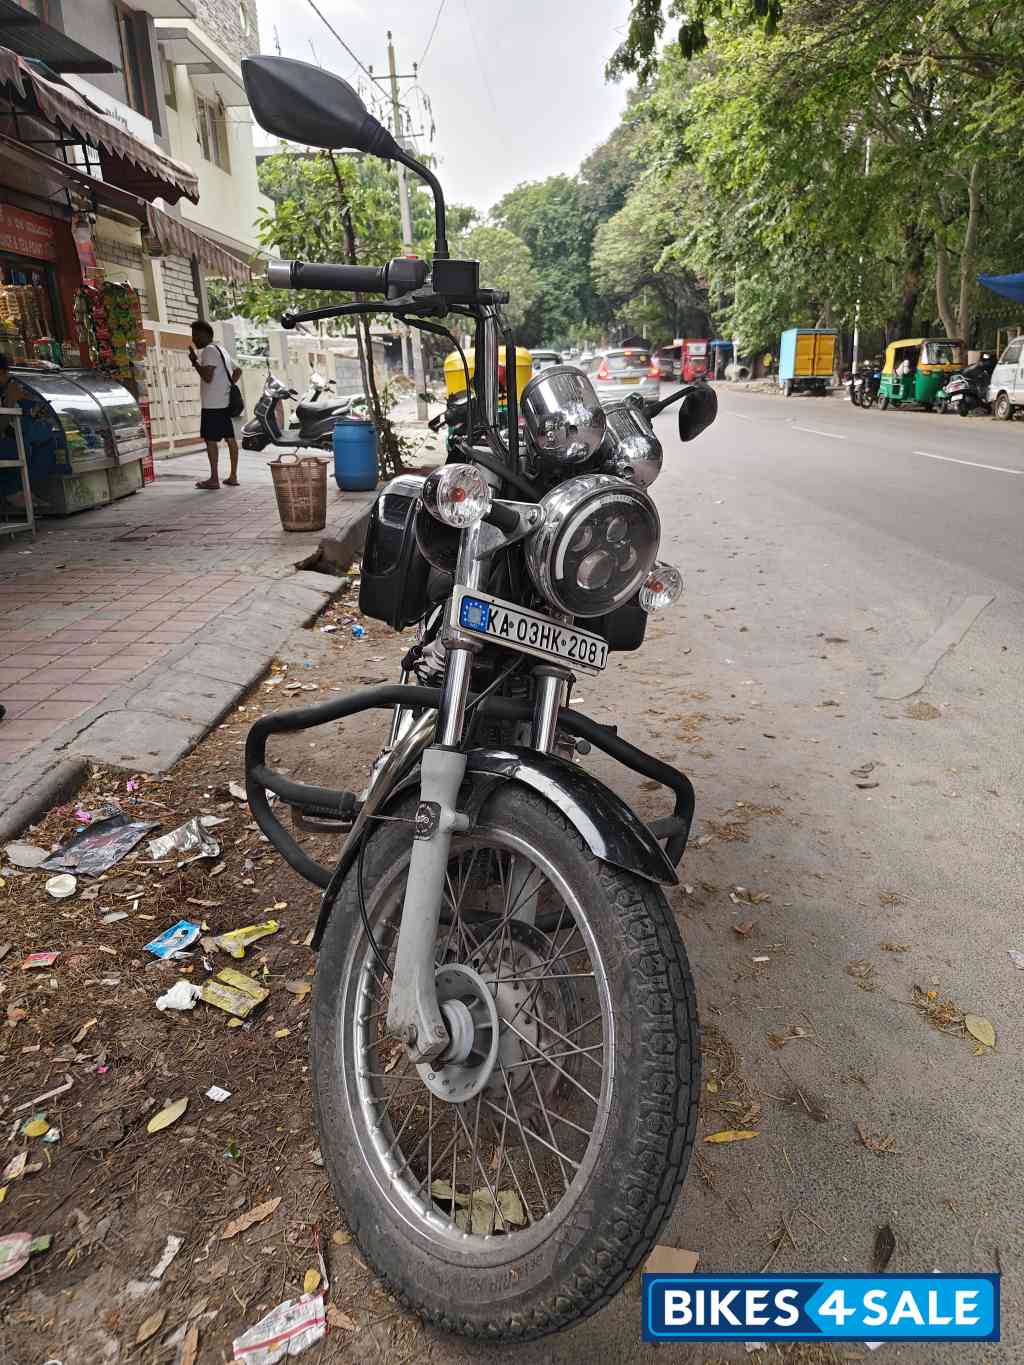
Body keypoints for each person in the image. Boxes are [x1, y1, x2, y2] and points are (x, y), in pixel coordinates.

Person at [188, 320, 242, 489]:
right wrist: (227, 387)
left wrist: (195, 362)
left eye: (195, 335)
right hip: (223, 402)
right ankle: (233, 476)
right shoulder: (221, 349)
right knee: (230, 439)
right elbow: (238, 370)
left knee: (211, 441)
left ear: (205, 334)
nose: (193, 339)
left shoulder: (209, 351)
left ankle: (214, 479)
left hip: (212, 405)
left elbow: (207, 377)